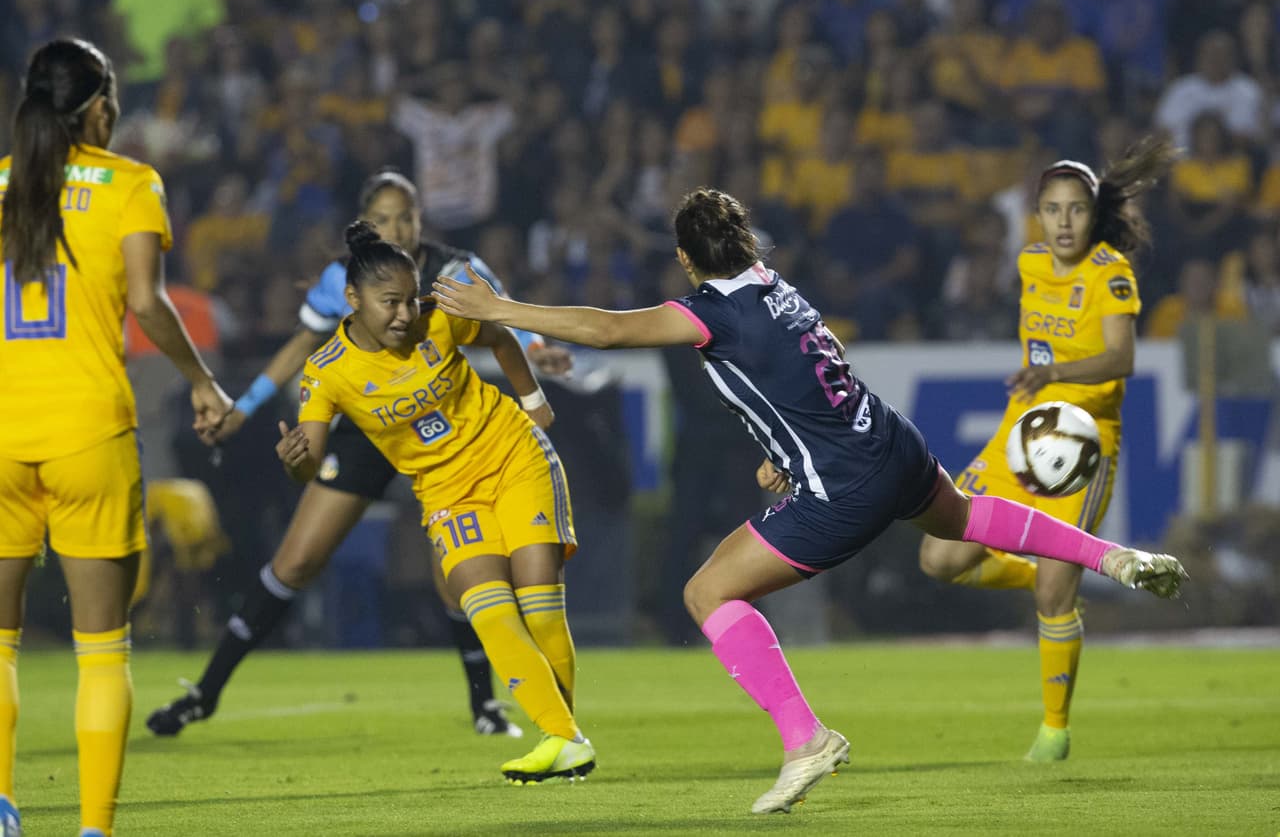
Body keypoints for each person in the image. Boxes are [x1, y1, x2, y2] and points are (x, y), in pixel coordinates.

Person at [431, 186, 1188, 814]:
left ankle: (805, 737)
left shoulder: (710, 310)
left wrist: (496, 309)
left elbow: (603, 328)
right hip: (890, 439)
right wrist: (781, 455)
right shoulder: (776, 286)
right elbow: (791, 380)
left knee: (707, 590)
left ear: (688, 260)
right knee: (961, 517)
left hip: (844, 482)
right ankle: (1112, 555)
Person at [147, 170, 569, 740]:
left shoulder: (451, 271)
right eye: (387, 218)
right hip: (368, 426)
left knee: (459, 576)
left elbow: (506, 317)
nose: (399, 226)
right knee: (296, 561)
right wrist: (241, 410)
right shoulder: (343, 279)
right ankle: (206, 691)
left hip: (446, 434)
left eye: (408, 216)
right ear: (368, 225)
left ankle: (485, 705)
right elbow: (303, 346)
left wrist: (539, 351)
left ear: (421, 219)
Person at [0, 39, 232, 837]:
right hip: (88, 431)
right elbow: (148, 303)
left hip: (1, 434)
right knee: (102, 650)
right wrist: (203, 380)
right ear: (99, 108)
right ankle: (93, 828)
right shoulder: (132, 183)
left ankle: (1, 811)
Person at [279, 220, 593, 783]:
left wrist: (533, 399)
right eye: (389, 303)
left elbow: (498, 333)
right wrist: (296, 458)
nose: (404, 315)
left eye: (409, 298)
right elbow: (312, 464)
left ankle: (562, 737)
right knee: (488, 610)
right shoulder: (327, 373)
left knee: (539, 602)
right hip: (447, 492)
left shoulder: (439, 317)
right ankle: (566, 739)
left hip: (512, 458)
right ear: (352, 300)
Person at [918, 139, 1178, 763]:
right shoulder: (1031, 263)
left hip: (1084, 447)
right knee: (938, 558)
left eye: (1077, 210)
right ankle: (1042, 569)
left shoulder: (1111, 273)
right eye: (1053, 210)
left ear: (1093, 215)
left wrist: (1053, 370)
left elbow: (1122, 358)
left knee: (1055, 600)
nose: (1065, 223)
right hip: (1021, 436)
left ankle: (1054, 732)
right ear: (1036, 216)